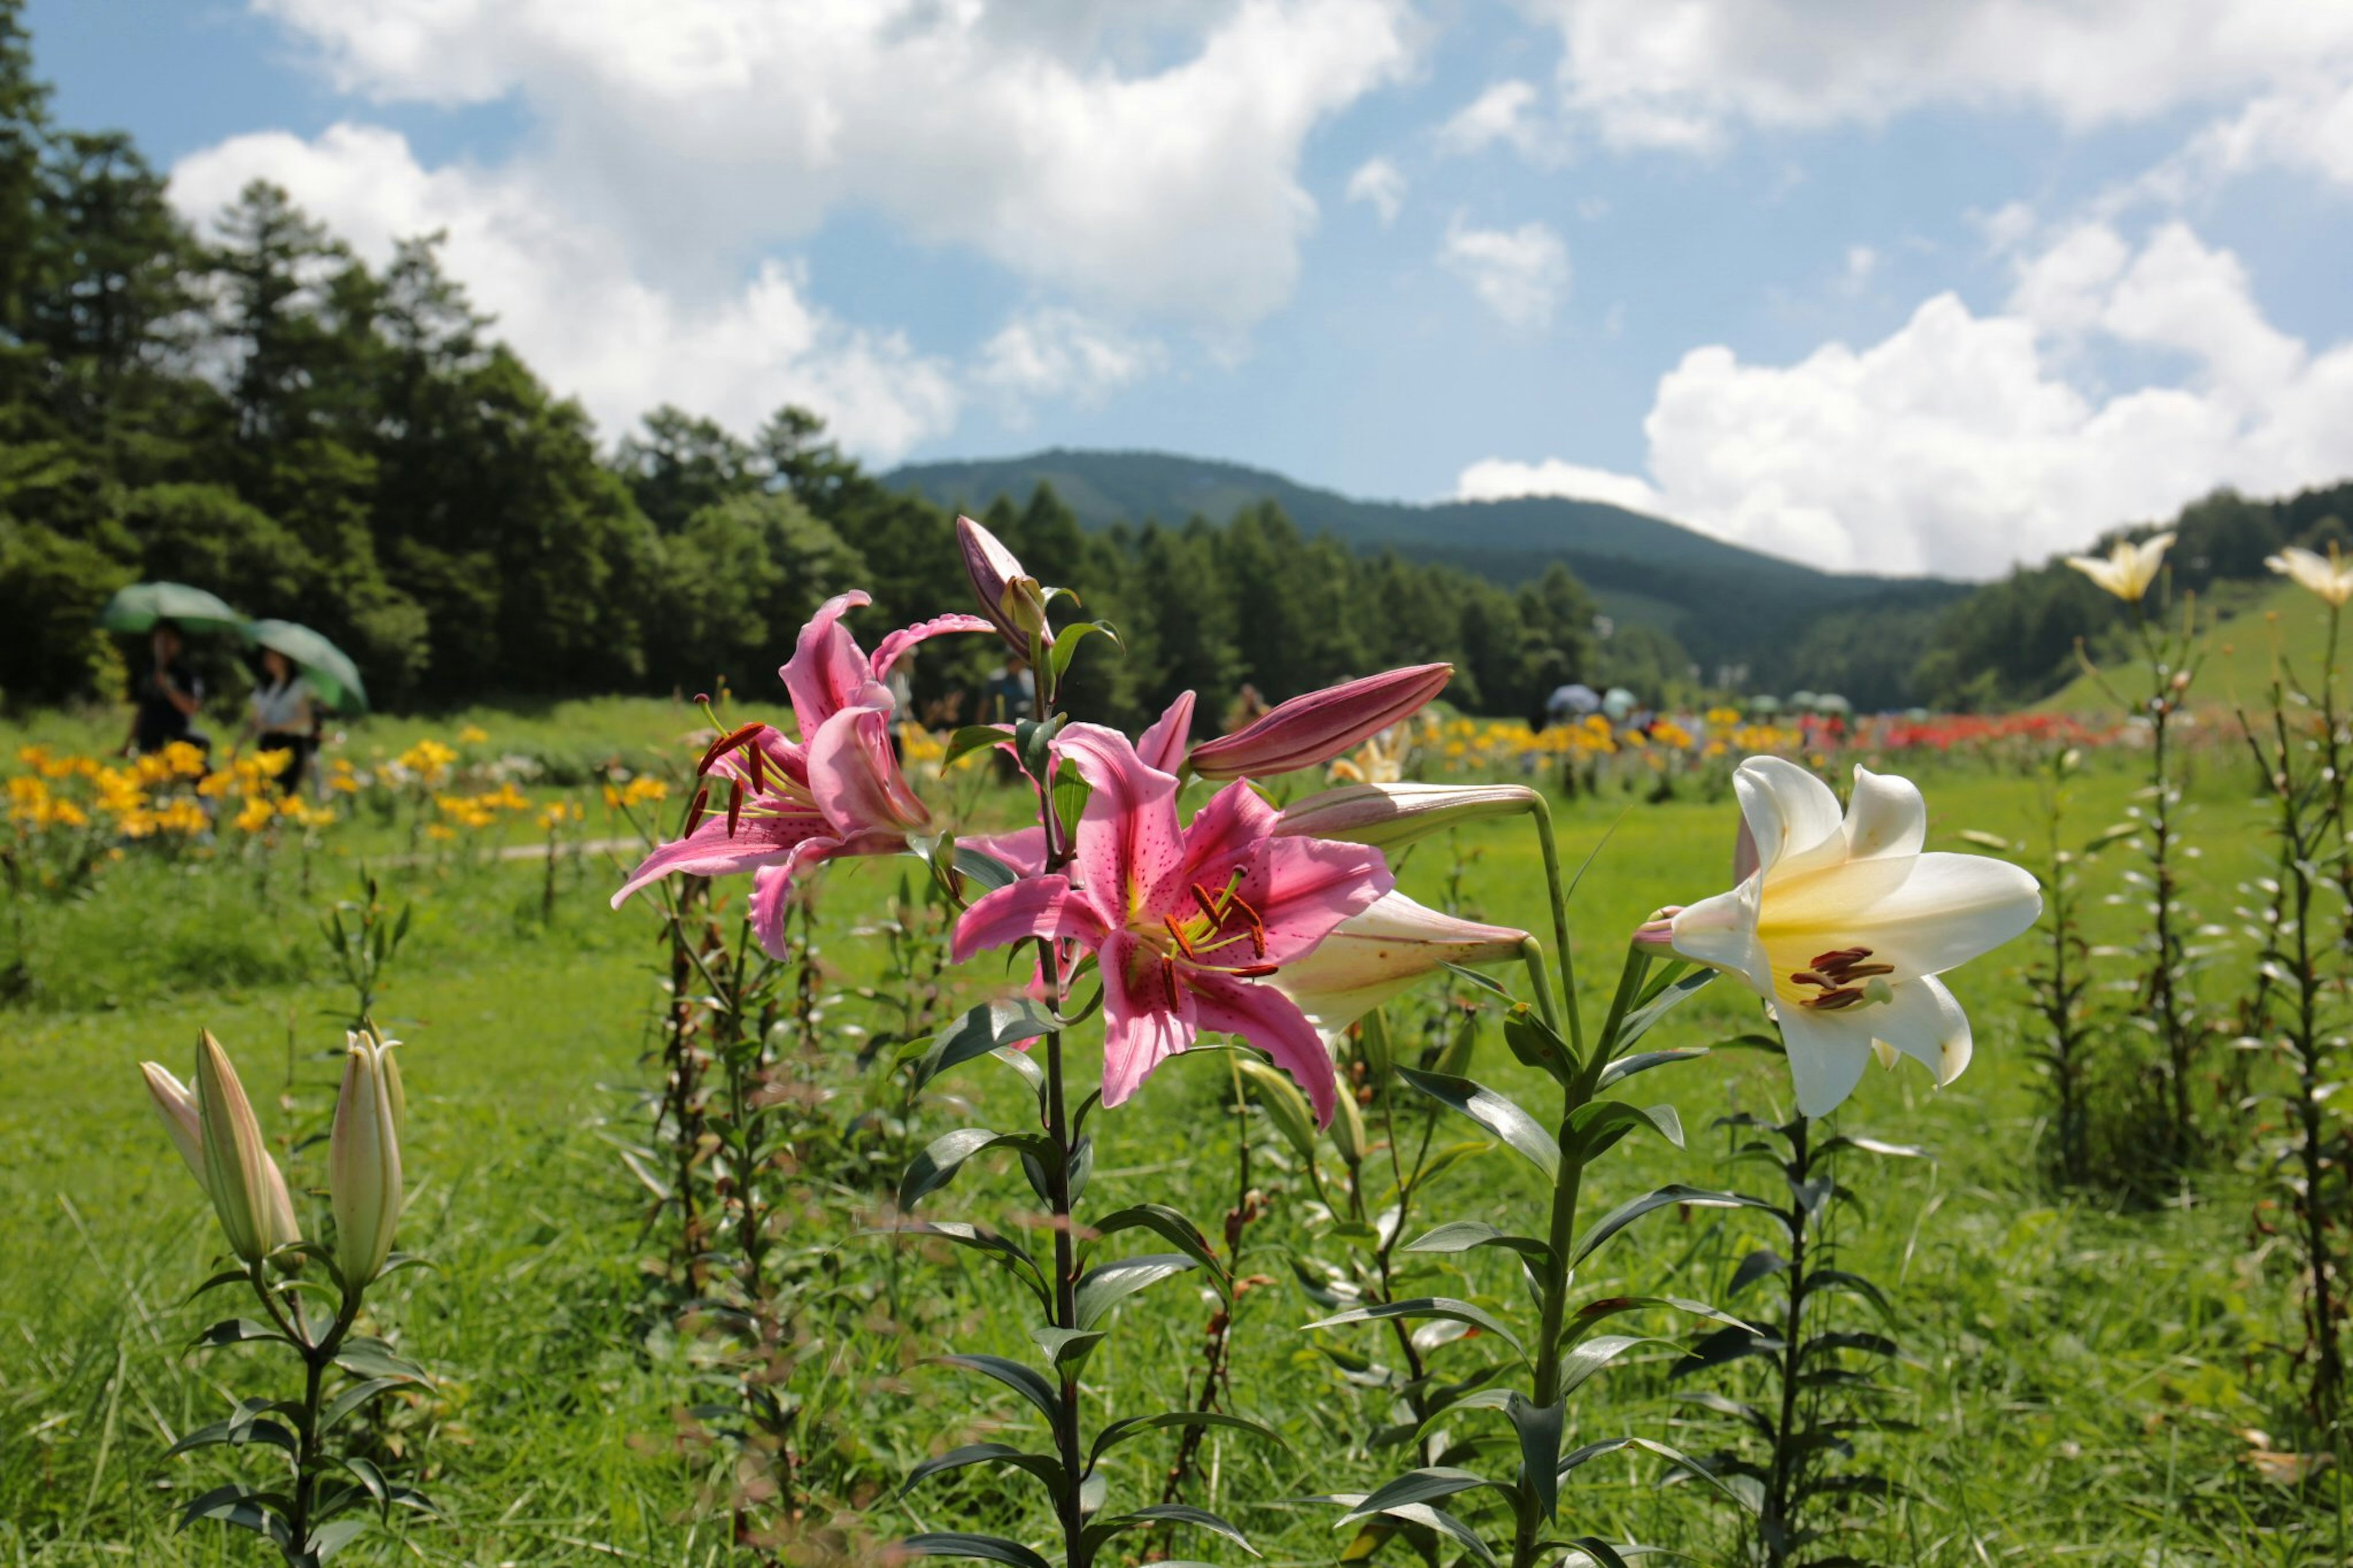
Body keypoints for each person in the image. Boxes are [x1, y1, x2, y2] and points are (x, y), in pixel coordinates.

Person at [236, 648, 316, 794]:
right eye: (267, 655)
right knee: (261, 792)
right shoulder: (265, 686)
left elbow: (304, 720)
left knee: (283, 794)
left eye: (273, 656)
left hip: (290, 745)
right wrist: (239, 744)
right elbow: (255, 719)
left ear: (285, 660)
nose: (268, 659)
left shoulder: (297, 686)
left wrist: (274, 727)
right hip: (267, 743)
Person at [126, 621, 208, 758]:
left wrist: (167, 687)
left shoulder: (186, 673)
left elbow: (192, 707)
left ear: (178, 643)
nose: (163, 645)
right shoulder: (148, 671)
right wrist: (128, 744)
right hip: (148, 745)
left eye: (168, 639)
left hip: (177, 746)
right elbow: (142, 709)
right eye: (159, 640)